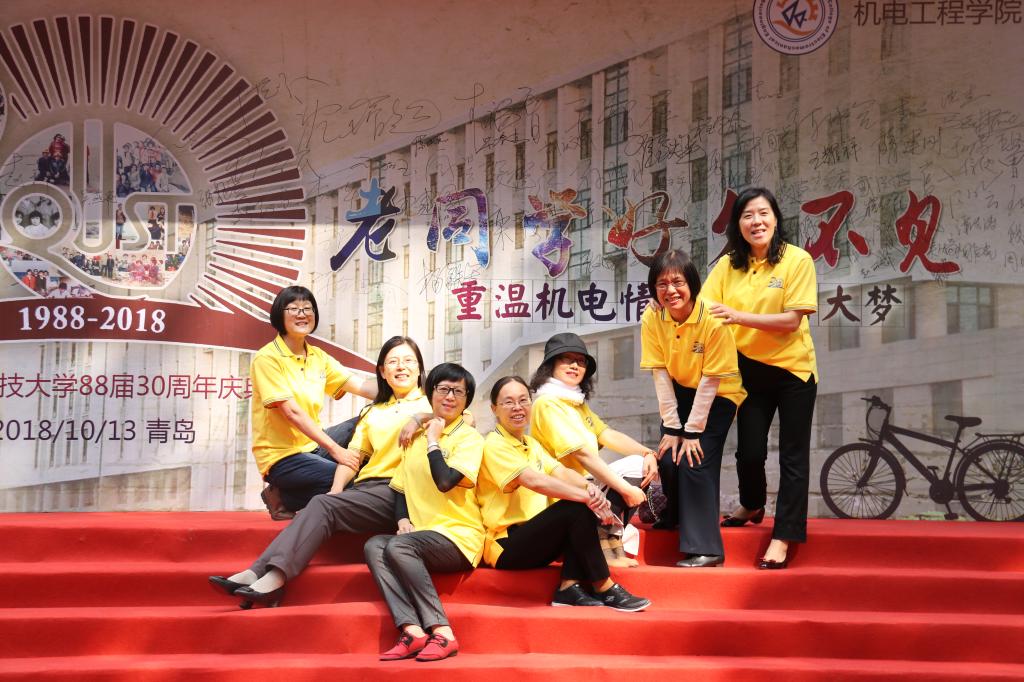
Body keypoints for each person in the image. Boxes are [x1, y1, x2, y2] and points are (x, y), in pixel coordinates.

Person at [209, 335, 430, 607]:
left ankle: (274, 577)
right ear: (382, 372)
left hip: (398, 492)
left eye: (409, 361)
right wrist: (336, 490)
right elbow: (353, 457)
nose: (401, 367)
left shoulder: (430, 405)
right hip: (366, 486)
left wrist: (421, 417)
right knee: (324, 501)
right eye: (393, 362)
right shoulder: (374, 411)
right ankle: (258, 574)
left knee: (322, 505)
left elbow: (462, 418)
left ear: (420, 368)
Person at [702, 187, 818, 569]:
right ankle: (752, 503)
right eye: (747, 215)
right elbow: (702, 309)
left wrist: (737, 317)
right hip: (748, 368)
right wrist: (665, 302)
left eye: (763, 213)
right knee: (749, 451)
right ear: (738, 224)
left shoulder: (797, 260)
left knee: (793, 456)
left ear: (776, 218)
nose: (757, 221)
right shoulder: (727, 265)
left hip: (792, 370)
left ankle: (784, 535)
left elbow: (791, 321)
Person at [477, 376, 650, 612]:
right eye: (508, 402)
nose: (517, 407)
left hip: (537, 536)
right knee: (576, 506)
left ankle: (568, 587)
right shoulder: (494, 444)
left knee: (581, 504)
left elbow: (561, 472)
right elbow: (535, 481)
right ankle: (604, 587)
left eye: (523, 400)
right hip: (506, 546)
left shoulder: (531, 444)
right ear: (494, 409)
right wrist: (585, 497)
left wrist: (590, 490)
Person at [365, 363, 484, 663]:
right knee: (375, 545)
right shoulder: (413, 439)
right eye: (443, 389)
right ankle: (412, 630)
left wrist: (433, 439)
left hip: (459, 537)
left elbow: (445, 481)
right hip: (421, 535)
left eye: (458, 392)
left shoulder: (469, 439)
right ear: (430, 393)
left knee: (399, 546)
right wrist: (402, 519)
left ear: (467, 400)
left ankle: (443, 632)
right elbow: (400, 488)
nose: (450, 397)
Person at [640, 249, 745, 567]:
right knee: (668, 456)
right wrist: (673, 428)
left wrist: (693, 432)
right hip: (679, 392)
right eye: (662, 284)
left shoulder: (713, 320)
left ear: (693, 284)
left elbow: (711, 381)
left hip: (719, 394)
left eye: (678, 282)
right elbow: (660, 373)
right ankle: (671, 516)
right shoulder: (652, 317)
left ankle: (707, 549)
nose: (670, 290)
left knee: (693, 459)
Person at [248, 286, 376, 518]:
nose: (302, 314)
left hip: (312, 446)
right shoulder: (267, 358)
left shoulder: (318, 356)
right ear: (279, 315)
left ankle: (292, 492)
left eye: (307, 308)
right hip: (281, 456)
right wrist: (337, 451)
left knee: (369, 420)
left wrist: (404, 390)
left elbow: (360, 386)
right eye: (294, 309)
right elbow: (292, 413)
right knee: (348, 478)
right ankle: (283, 496)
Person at [528, 333, 653, 567]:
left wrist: (648, 454)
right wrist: (626, 489)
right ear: (550, 365)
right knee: (626, 479)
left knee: (638, 464)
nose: (574, 366)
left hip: (587, 486)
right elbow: (582, 455)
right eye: (566, 359)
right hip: (564, 491)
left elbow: (607, 435)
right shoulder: (547, 403)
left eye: (580, 361)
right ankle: (597, 543)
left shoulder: (575, 403)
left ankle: (610, 537)